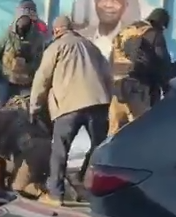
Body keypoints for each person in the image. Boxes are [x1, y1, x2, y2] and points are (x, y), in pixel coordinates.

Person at [29, 15, 113, 206]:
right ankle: (86, 186)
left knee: (60, 150)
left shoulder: (56, 47)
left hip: (69, 105)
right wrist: (107, 99)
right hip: (98, 103)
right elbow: (107, 74)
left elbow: (42, 79)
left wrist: (34, 106)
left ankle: (55, 194)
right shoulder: (91, 47)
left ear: (57, 30)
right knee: (98, 149)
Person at [108, 7, 172, 135]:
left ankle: (109, 148)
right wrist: (167, 87)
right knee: (142, 131)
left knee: (114, 131)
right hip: (140, 90)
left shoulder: (127, 31)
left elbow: (112, 58)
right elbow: (162, 64)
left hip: (118, 88)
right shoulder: (154, 34)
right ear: (161, 24)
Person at [0, 5, 45, 106]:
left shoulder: (37, 37)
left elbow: (40, 61)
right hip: (6, 79)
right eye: (20, 20)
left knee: (27, 108)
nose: (22, 24)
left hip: (26, 82)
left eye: (26, 20)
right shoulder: (7, 35)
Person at [72, 0, 144, 60]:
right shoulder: (77, 40)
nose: (108, 5)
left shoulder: (136, 44)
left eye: (116, 1)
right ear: (95, 2)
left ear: (125, 5)